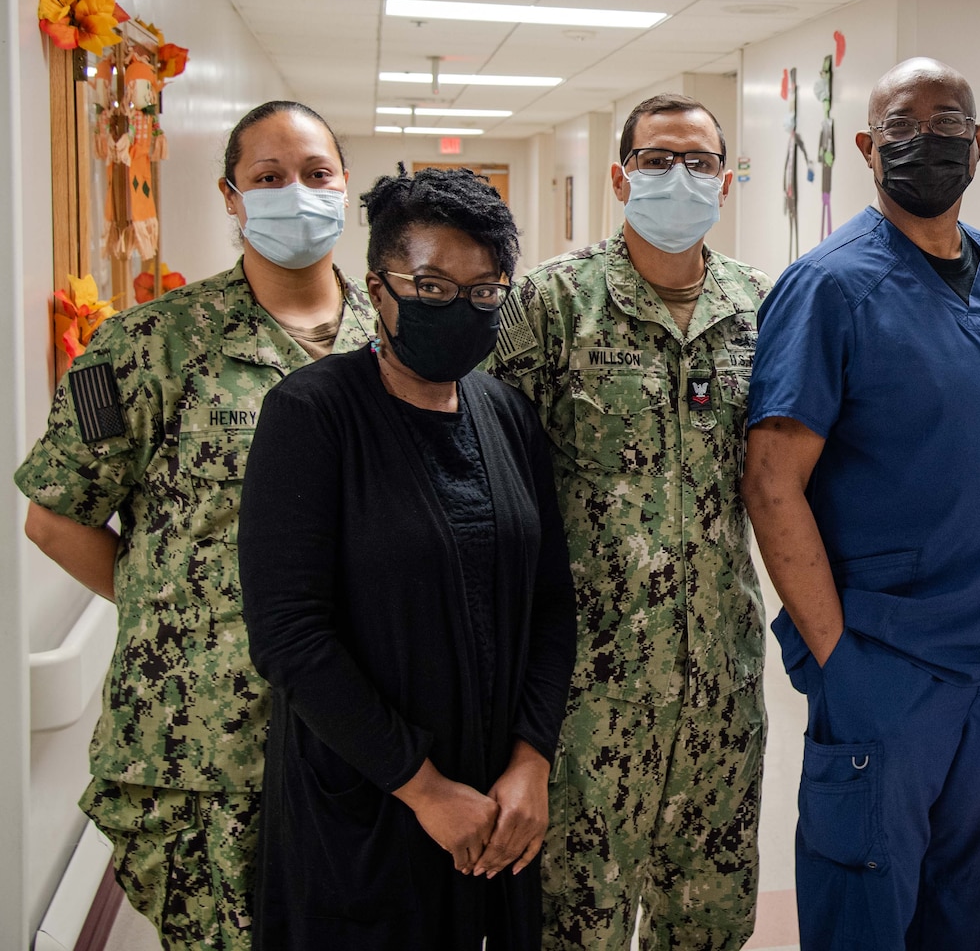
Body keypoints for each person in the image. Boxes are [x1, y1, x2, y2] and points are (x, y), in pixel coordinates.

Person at [13, 101, 371, 949]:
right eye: (269, 178)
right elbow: (54, 517)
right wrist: (172, 606)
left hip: (360, 734)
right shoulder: (146, 346)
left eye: (317, 175)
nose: (297, 193)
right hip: (202, 742)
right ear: (231, 197)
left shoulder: (388, 347)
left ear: (345, 187)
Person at [742, 57, 980, 949]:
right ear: (868, 149)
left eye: (948, 123)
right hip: (886, 663)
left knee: (968, 913)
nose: (927, 141)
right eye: (902, 127)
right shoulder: (831, 286)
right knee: (866, 917)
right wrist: (840, 655)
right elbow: (771, 481)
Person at [238, 166, 576, 949]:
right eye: (430, 286)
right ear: (377, 289)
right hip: (369, 804)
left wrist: (531, 762)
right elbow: (290, 635)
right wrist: (424, 791)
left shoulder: (505, 412)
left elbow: (550, 601)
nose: (458, 307)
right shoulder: (310, 415)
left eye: (484, 290)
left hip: (498, 805)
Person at [489, 93, 769, 951]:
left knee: (709, 924)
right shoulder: (549, 305)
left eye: (699, 161)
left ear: (725, 180)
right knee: (576, 928)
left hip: (720, 685)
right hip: (586, 697)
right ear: (619, 177)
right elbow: (485, 482)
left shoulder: (765, 307)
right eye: (656, 160)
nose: (678, 177)